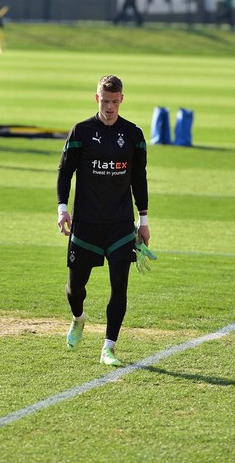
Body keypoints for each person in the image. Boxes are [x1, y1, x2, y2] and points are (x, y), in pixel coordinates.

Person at [56, 75, 150, 367]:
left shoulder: (133, 135)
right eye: (104, 101)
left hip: (121, 226)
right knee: (75, 289)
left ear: (122, 99)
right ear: (96, 99)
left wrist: (143, 220)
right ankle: (79, 318)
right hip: (86, 225)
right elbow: (64, 172)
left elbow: (139, 178)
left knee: (119, 287)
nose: (109, 107)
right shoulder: (81, 132)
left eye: (114, 101)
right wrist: (62, 209)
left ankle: (108, 347)